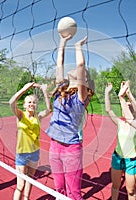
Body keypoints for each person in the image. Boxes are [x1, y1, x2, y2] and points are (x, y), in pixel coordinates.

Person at [46, 34, 94, 200]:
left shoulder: (81, 97)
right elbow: (59, 63)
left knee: (74, 193)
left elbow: (81, 64)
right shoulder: (62, 90)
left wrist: (78, 45)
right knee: (59, 189)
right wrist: (62, 41)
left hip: (71, 148)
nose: (72, 69)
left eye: (80, 74)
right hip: (54, 146)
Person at [9, 82, 51, 200]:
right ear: (24, 105)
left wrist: (44, 91)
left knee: (30, 180)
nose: (32, 104)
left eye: (34, 102)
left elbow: (49, 109)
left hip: (34, 152)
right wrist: (24, 89)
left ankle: (27, 198)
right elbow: (11, 102)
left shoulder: (38, 116)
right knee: (20, 184)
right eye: (29, 102)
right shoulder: (20, 115)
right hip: (22, 153)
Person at [105, 82, 136, 200]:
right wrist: (107, 92)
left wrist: (128, 93)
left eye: (127, 107)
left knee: (130, 190)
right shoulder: (120, 123)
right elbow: (108, 110)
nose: (124, 108)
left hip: (131, 162)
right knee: (115, 186)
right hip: (117, 158)